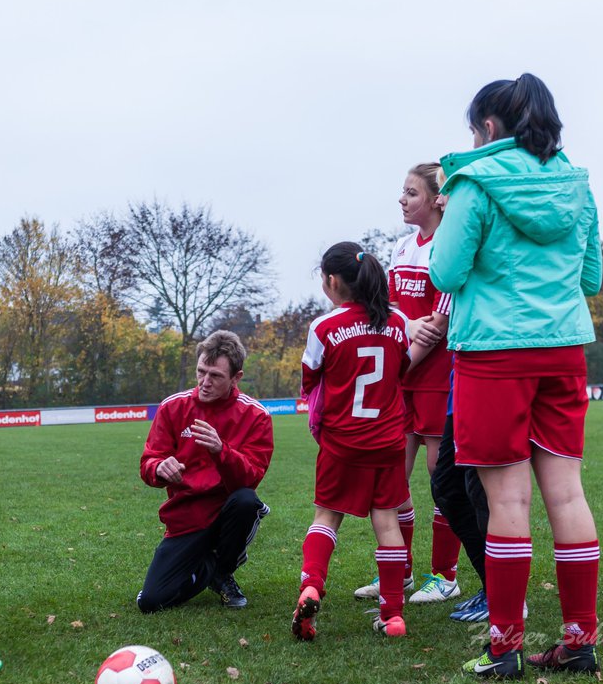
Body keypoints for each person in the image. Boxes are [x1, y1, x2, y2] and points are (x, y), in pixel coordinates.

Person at [430, 73, 603, 678]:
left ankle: (504, 648)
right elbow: (590, 280)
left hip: (494, 353)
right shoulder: (578, 187)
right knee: (567, 493)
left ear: (488, 128)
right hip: (562, 350)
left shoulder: (474, 184)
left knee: (507, 499)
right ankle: (580, 639)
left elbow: (446, 272)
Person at [294, 242, 434, 640]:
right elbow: (404, 366)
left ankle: (312, 586)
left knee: (326, 518)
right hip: (389, 441)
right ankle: (392, 615)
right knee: (387, 522)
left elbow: (309, 380)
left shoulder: (324, 327)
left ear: (332, 281)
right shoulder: (397, 321)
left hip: (342, 442)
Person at [353, 163, 463, 606]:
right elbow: (393, 315)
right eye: (402, 192)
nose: (402, 199)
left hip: (435, 378)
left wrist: (398, 366)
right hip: (404, 376)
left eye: (411, 193)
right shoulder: (400, 247)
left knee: (442, 482)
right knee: (392, 480)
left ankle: (445, 575)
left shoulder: (450, 249)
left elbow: (436, 325)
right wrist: (399, 357)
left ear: (437, 199)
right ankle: (398, 573)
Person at [137, 330, 273, 613]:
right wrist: (159, 467)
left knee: (247, 500)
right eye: (201, 372)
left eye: (215, 376)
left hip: (226, 512)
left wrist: (220, 451)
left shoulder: (255, 415)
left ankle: (224, 571)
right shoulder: (173, 407)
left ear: (236, 377)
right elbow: (149, 461)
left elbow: (250, 478)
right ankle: (210, 569)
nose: (205, 382)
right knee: (151, 602)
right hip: (186, 519)